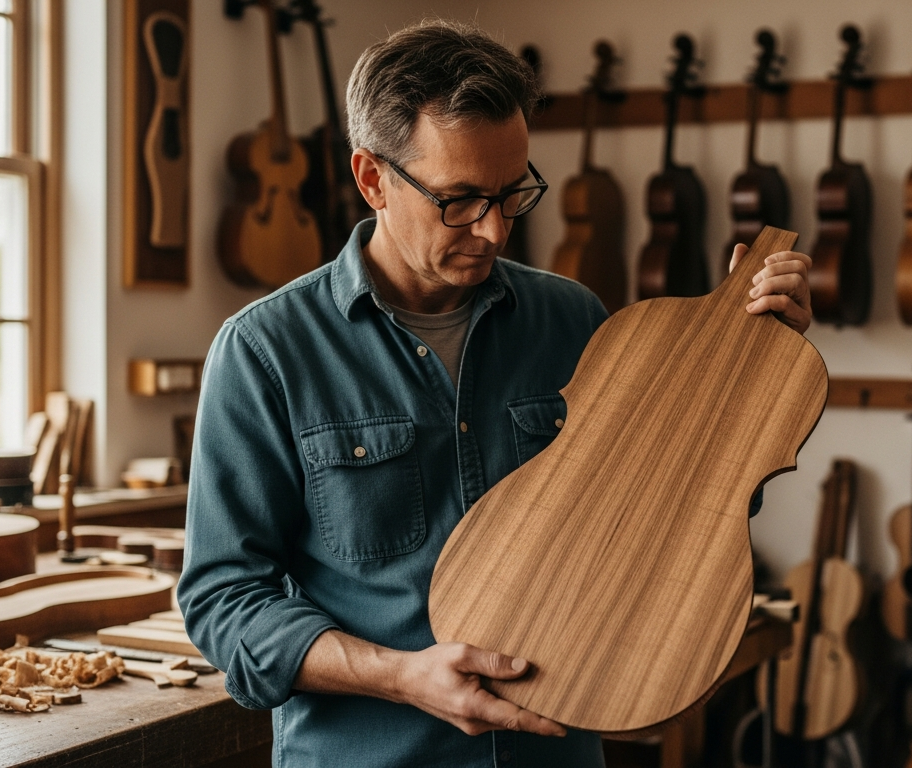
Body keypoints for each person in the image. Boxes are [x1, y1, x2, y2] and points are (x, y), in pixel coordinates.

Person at [180, 19, 813, 768]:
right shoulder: (265, 351)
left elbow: (680, 508)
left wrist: (758, 364)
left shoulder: (574, 319)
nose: (493, 228)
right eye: (459, 199)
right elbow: (224, 602)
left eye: (513, 193)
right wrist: (403, 678)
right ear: (372, 178)